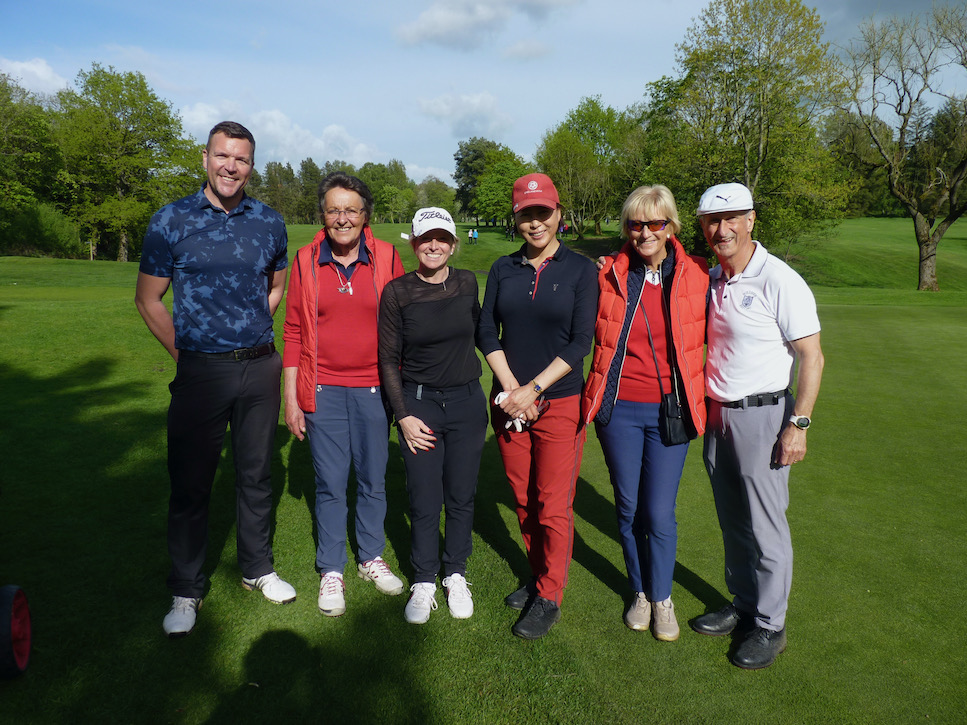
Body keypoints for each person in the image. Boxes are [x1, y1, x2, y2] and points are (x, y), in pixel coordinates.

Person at [135, 121, 295, 638]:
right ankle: (186, 588)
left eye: (242, 159)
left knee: (255, 475)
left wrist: (253, 324)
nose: (231, 167)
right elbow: (148, 299)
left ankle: (257, 568)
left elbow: (275, 285)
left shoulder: (268, 221)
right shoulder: (171, 219)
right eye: (223, 156)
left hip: (259, 367)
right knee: (191, 483)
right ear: (205, 158)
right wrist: (186, 354)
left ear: (252, 165)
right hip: (200, 370)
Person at [691, 182, 825, 669]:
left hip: (766, 416)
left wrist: (800, 423)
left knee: (766, 527)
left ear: (751, 221)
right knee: (733, 521)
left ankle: (770, 625)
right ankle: (744, 605)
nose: (722, 229)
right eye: (712, 221)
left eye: (732, 219)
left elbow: (811, 355)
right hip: (718, 416)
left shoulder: (779, 278)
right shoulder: (712, 277)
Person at [581, 185, 709, 641]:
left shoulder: (696, 273)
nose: (645, 232)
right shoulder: (609, 273)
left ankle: (662, 597)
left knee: (658, 513)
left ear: (671, 226)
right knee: (629, 507)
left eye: (655, 223)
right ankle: (639, 592)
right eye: (636, 224)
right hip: (618, 410)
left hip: (670, 412)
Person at [477, 172, 597, 639]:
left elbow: (580, 341)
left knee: (552, 504)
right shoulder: (503, 269)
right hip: (508, 401)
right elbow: (487, 331)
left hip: (559, 402)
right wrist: (512, 389)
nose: (535, 222)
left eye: (542, 212)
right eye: (526, 213)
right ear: (517, 218)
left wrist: (535, 390)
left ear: (558, 215)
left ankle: (550, 593)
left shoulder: (581, 270)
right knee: (524, 501)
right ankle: (537, 576)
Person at [282, 172, 406, 617]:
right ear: (322, 214)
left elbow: (404, 319)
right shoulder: (305, 260)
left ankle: (371, 557)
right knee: (331, 482)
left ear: (365, 214)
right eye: (333, 209)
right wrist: (291, 397)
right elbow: (294, 329)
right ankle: (331, 568)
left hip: (376, 388)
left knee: (373, 478)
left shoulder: (389, 257)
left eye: (350, 209)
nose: (342, 218)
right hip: (323, 387)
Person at [377, 207, 488, 624]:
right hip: (419, 405)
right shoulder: (398, 292)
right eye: (426, 238)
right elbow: (388, 359)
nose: (434, 245)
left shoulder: (465, 283)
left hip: (466, 404)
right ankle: (424, 579)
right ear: (414, 242)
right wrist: (402, 415)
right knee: (425, 499)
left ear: (453, 243)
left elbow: (482, 334)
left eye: (442, 238)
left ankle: (455, 572)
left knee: (461, 495)